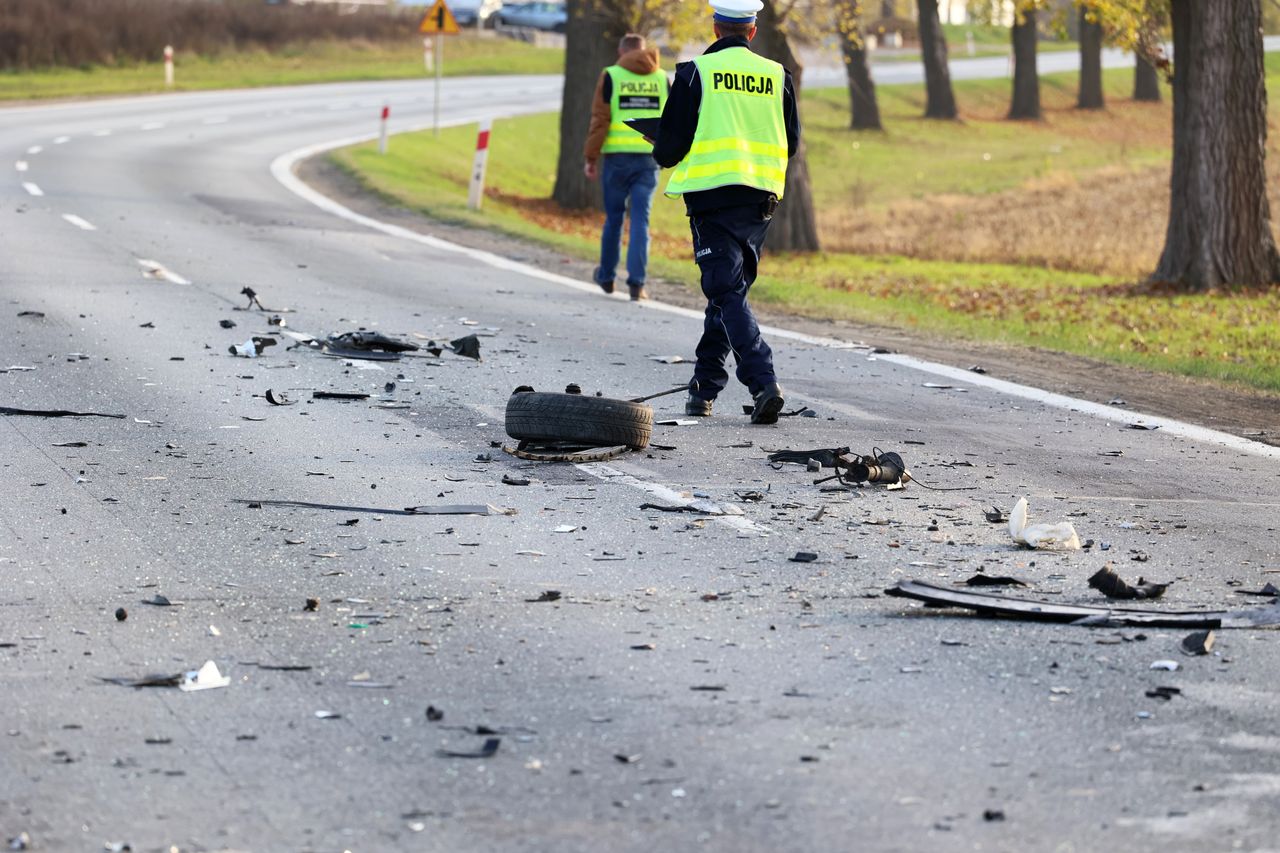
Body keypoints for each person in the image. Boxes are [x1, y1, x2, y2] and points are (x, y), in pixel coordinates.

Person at [651, 0, 799, 424]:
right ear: (752, 31)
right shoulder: (777, 75)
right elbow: (791, 142)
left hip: (712, 200)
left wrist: (660, 144)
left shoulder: (695, 72)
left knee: (725, 290)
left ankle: (763, 381)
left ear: (716, 28)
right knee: (729, 292)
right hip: (760, 202)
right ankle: (705, 386)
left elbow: (669, 149)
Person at [583, 33, 668, 302]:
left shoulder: (611, 75)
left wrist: (590, 157)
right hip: (649, 158)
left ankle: (607, 276)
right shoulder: (663, 78)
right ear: (644, 51)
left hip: (617, 159)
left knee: (615, 218)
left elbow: (600, 119)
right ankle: (637, 284)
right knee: (641, 220)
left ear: (622, 50)